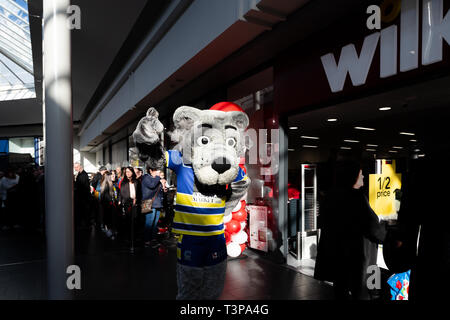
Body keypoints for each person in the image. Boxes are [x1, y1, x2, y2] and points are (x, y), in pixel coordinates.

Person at [314, 160, 387, 300]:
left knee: (340, 290)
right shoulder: (357, 198)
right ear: (351, 177)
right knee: (363, 292)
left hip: (336, 257)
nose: (363, 177)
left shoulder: (330, 196)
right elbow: (373, 228)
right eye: (360, 174)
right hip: (357, 259)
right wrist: (387, 233)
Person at [119, 167, 142, 250]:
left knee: (135, 221)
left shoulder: (137, 181)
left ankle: (134, 238)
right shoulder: (123, 182)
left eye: (129, 171)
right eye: (126, 172)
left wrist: (137, 199)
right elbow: (122, 194)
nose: (128, 173)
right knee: (128, 221)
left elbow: (139, 193)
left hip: (136, 204)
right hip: (128, 204)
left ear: (132, 172)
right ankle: (128, 239)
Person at [141, 168, 165, 247]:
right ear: (150, 170)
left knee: (155, 223)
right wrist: (158, 178)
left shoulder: (156, 179)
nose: (158, 172)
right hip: (149, 203)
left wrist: (164, 186)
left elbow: (160, 190)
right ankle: (147, 240)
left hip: (157, 203)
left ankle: (153, 239)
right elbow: (152, 185)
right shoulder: (146, 178)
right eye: (156, 170)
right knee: (149, 223)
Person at [74, 162, 90, 229]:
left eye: (76, 167)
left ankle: (85, 225)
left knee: (83, 211)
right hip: (82, 196)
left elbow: (81, 186)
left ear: (79, 167)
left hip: (83, 197)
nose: (75, 168)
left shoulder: (83, 175)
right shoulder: (81, 174)